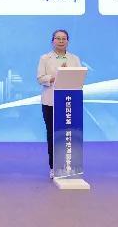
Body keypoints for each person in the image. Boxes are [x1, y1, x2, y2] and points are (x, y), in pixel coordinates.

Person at [36, 29, 82, 179]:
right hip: (50, 101)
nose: (61, 41)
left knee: (68, 134)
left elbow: (80, 77)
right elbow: (40, 78)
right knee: (52, 134)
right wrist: (55, 77)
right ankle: (53, 166)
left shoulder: (74, 59)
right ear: (52, 41)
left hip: (69, 101)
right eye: (58, 38)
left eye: (64, 38)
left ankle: (69, 165)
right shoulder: (45, 58)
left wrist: (69, 75)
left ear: (68, 41)